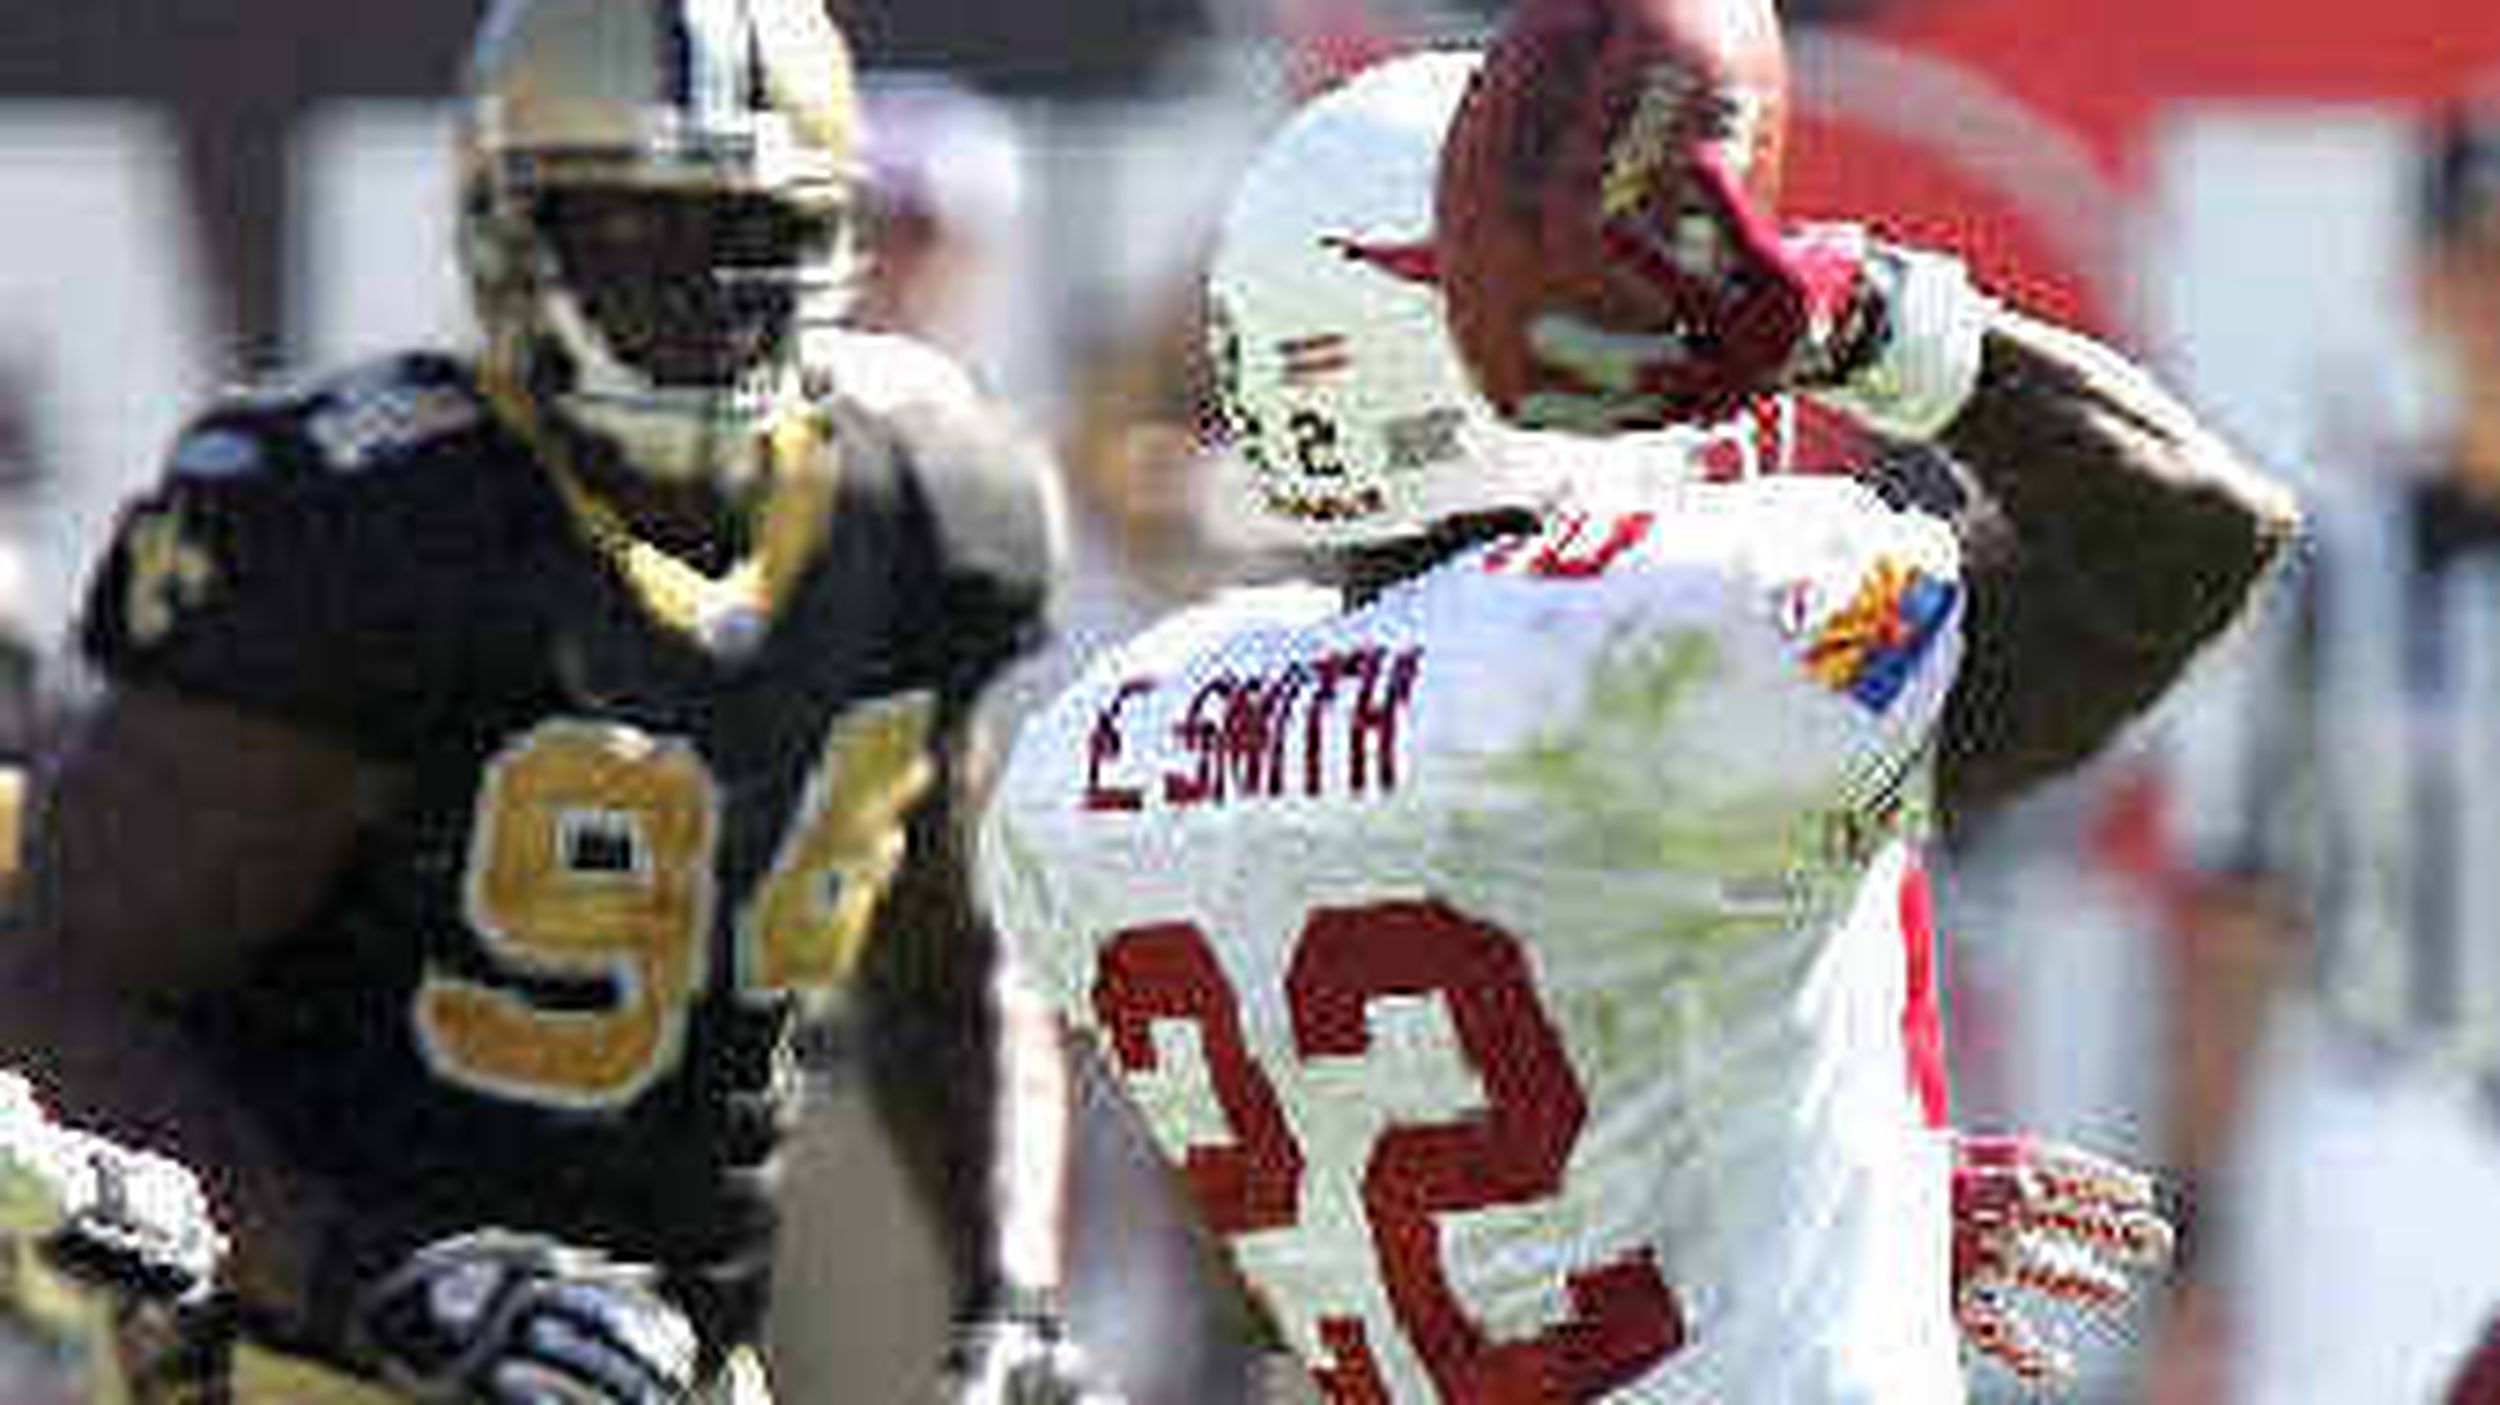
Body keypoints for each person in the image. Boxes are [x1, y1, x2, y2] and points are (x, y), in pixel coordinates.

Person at [974, 46, 2292, 1402]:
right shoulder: (1664, 647)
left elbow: (1360, 1169)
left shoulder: (1099, 760)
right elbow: (2194, 533)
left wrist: (1810, 1186)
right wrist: (1858, 316)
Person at [0, 0, 1110, 1400]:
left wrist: (1014, 1293)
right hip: (317, 1356)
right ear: (511, 234)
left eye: (753, 234)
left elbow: (950, 972)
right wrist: (372, 1276)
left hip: (673, 1358)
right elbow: (60, 987)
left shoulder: (926, 510)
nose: (705, 284)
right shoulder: (369, 526)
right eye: (639, 228)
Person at [2151, 95, 2500, 1404]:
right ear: (2425, 280)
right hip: (2378, 1135)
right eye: (2483, 258)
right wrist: (2194, 1238)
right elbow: (2240, 913)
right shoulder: (2338, 559)